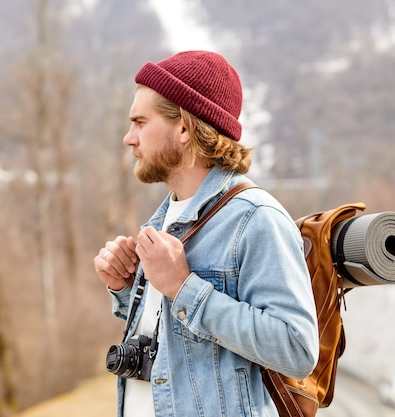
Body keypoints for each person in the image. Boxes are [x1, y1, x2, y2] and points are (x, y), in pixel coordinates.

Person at [94, 50, 319, 417]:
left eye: (139, 122)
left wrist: (184, 288)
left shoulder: (256, 219)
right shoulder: (162, 221)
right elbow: (177, 342)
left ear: (183, 128)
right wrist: (125, 287)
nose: (128, 138)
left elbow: (297, 348)